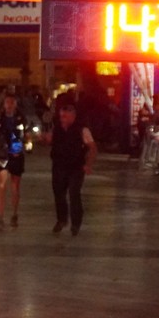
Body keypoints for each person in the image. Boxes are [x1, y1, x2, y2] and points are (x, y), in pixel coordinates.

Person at [45, 100, 96, 236]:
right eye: (61, 116)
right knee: (59, 193)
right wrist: (45, 138)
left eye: (65, 116)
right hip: (59, 166)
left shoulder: (82, 130)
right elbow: (49, 140)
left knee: (74, 194)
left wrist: (88, 164)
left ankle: (75, 223)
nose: (62, 119)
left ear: (73, 116)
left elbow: (92, 148)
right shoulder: (57, 129)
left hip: (76, 167)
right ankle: (61, 219)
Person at [0, 93, 28, 228]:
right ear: (4, 104)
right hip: (1, 153)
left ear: (16, 104)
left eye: (12, 102)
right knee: (1, 185)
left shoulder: (21, 118)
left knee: (15, 185)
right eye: (7, 102)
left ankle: (14, 214)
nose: (9, 105)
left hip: (16, 154)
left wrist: (25, 146)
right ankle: (0, 217)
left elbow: (25, 135)